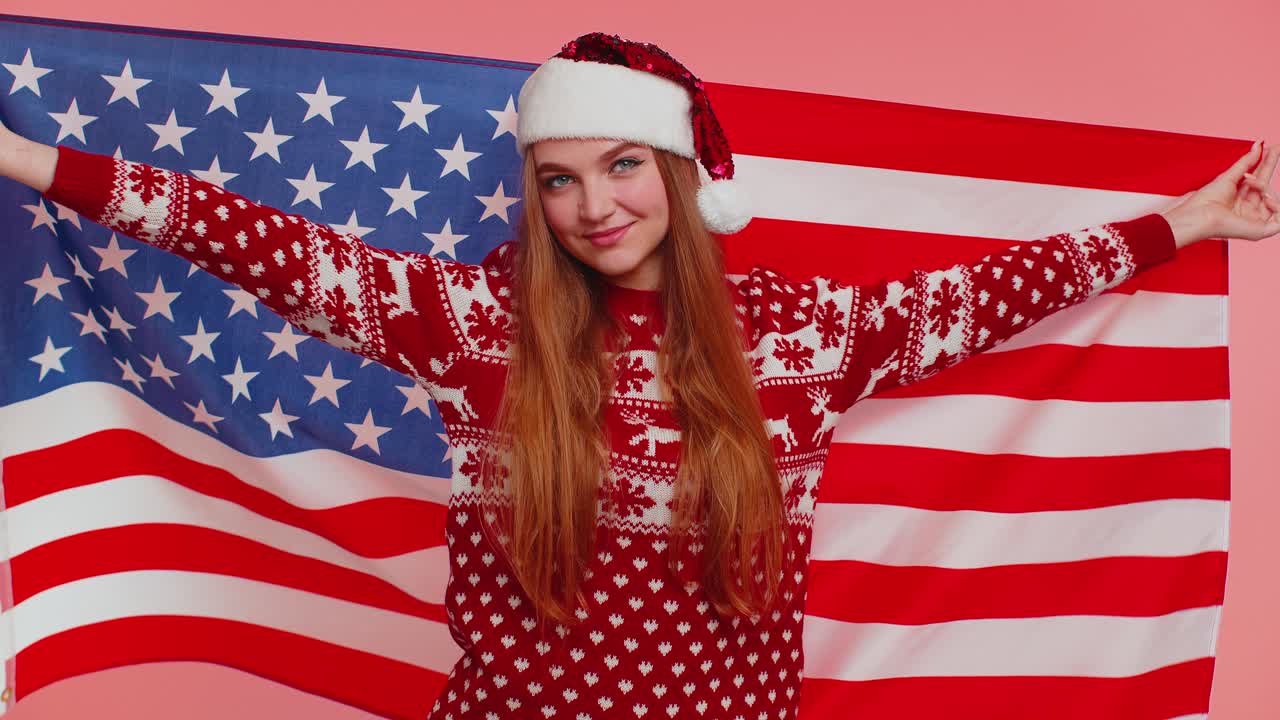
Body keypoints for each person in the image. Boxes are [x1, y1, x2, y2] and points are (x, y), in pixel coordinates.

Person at [2, 29, 1277, 720]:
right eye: (557, 178)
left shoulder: (800, 341)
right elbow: (248, 237)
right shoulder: (469, 324)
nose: (590, 205)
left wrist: (1186, 220)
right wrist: (25, 158)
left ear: (675, 174)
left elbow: (995, 289)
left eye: (620, 166)